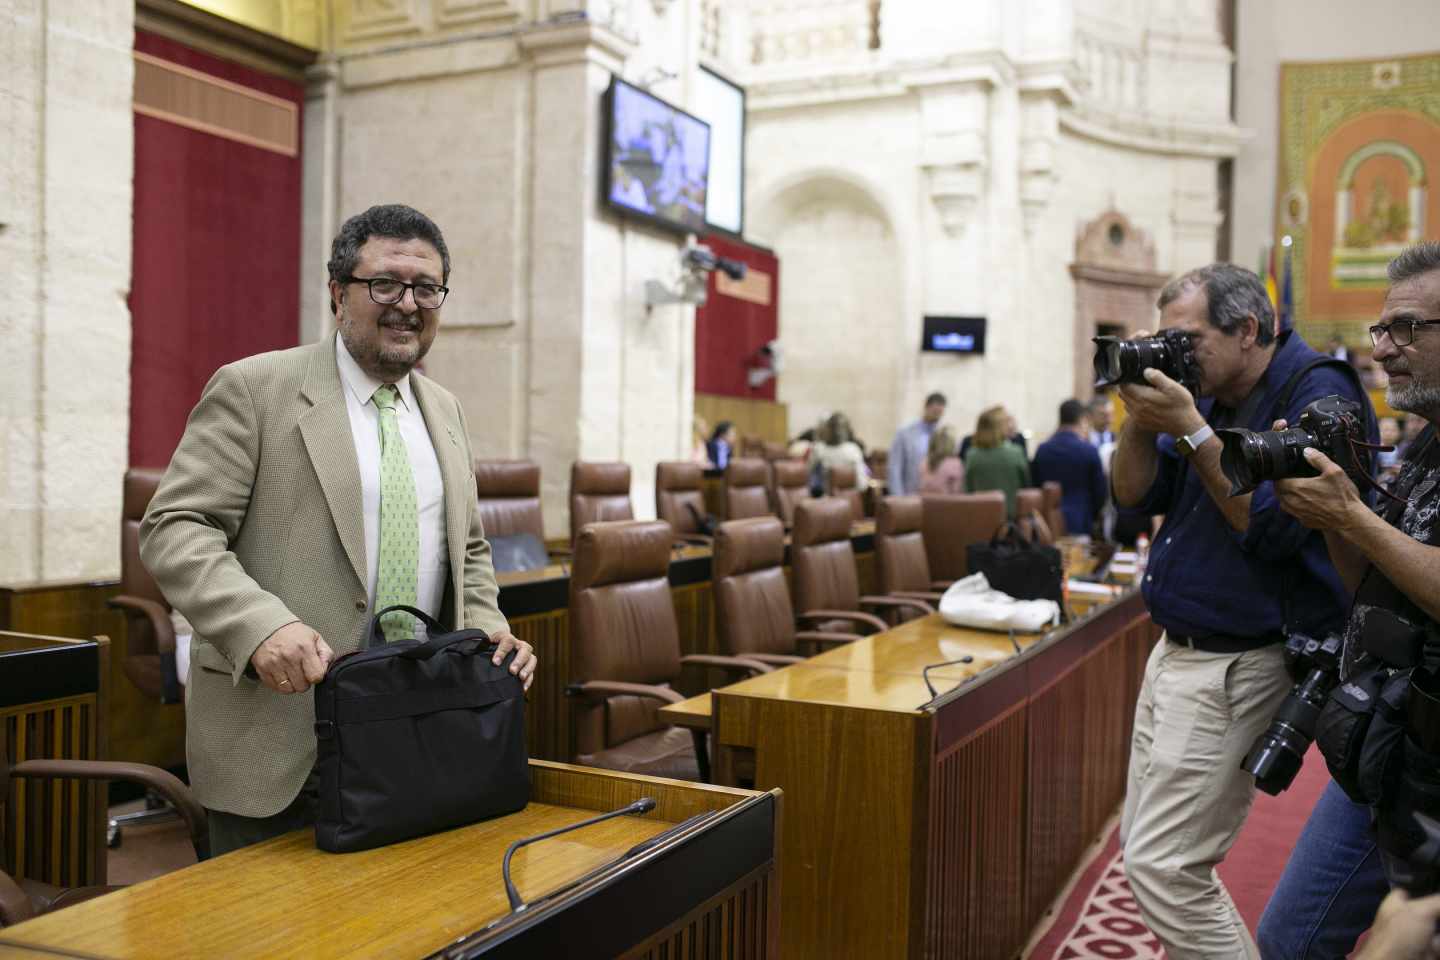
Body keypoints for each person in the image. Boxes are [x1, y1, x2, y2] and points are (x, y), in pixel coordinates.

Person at [140, 204, 538, 856]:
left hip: (413, 731)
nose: (407, 304)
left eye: (427, 287)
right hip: (283, 739)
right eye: (384, 283)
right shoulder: (254, 388)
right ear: (336, 292)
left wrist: (489, 628)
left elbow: (466, 547)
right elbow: (175, 528)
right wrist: (260, 625)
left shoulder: (445, 410)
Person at [1109, 262, 1369, 959]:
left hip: (1241, 661)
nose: (1175, 355)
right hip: (1175, 650)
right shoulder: (1212, 389)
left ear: (1247, 328)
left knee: (1167, 868)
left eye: (1186, 339)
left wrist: (1192, 429)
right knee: (1146, 846)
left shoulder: (1315, 389)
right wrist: (1139, 416)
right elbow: (1133, 496)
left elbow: (1271, 527)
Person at [1260, 243, 1440, 959]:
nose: (1384, 350)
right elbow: (1370, 584)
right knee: (1287, 940)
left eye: (1407, 330)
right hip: (1379, 748)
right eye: (1381, 330)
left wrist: (1352, 516)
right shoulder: (1426, 445)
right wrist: (1325, 512)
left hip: (1431, 767)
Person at [1031, 399, 1107, 538]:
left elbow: (1035, 485)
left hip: (1047, 525)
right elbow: (1100, 492)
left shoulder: (1042, 449)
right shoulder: (1089, 450)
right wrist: (1093, 515)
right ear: (1082, 419)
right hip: (1081, 521)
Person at [964, 405, 1029, 518]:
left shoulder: (972, 455)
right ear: (999, 427)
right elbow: (1026, 486)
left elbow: (968, 489)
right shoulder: (1015, 452)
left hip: (980, 517)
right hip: (1011, 519)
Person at [888, 392, 946, 495]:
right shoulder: (905, 432)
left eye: (939, 413)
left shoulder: (943, 434)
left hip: (934, 496)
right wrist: (897, 496)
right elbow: (895, 466)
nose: (936, 416)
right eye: (934, 411)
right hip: (909, 491)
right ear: (927, 407)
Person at [812, 412, 870, 490]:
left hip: (830, 495)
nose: (837, 431)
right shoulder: (819, 449)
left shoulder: (819, 449)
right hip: (830, 495)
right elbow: (862, 484)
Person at [918, 426, 964, 494]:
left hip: (927, 502)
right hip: (947, 502)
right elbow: (957, 490)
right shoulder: (955, 463)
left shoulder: (924, 463)